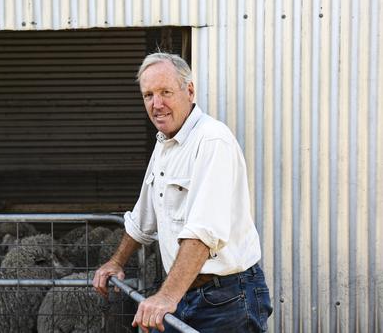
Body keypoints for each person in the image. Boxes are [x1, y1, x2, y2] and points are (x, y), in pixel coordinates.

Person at [92, 53, 272, 332]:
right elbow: (144, 217)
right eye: (148, 95)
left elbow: (203, 232)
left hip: (226, 298)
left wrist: (166, 296)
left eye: (165, 92)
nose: (157, 104)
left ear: (189, 91)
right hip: (184, 290)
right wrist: (116, 262)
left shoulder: (212, 141)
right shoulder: (164, 144)